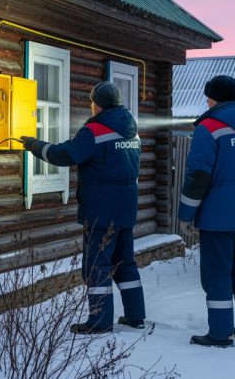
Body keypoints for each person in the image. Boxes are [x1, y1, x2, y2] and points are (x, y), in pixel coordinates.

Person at [20, 82, 145, 334]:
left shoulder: (95, 131)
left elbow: (62, 155)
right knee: (125, 263)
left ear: (96, 103)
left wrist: (34, 145)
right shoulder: (132, 130)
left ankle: (99, 321)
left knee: (97, 265)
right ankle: (135, 317)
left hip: (101, 211)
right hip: (126, 208)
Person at [178, 75, 235, 348]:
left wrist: (186, 215)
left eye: (208, 96)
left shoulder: (208, 128)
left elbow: (197, 176)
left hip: (216, 218)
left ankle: (220, 334)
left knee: (217, 275)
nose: (206, 101)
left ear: (215, 97)